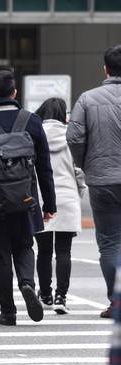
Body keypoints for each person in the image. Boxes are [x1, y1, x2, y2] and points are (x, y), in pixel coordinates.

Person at [0, 69, 56, 326]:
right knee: (25, 245)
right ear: (15, 93)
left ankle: (8, 312)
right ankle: (27, 283)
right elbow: (44, 167)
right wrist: (49, 204)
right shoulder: (32, 121)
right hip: (26, 199)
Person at [67, 44, 121, 319]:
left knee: (110, 242)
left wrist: (86, 164)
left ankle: (116, 301)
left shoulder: (88, 99)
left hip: (102, 180)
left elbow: (74, 138)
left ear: (106, 69)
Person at [34, 98, 86, 314]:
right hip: (67, 198)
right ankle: (60, 298)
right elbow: (79, 171)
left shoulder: (34, 134)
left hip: (42, 198)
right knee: (64, 251)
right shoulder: (70, 137)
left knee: (43, 251)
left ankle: (45, 293)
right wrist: (79, 192)